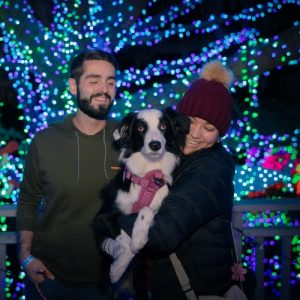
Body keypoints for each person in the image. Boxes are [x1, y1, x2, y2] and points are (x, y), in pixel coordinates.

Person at [99, 60, 251, 299]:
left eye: (209, 128)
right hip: (168, 288)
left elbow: (162, 234)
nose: (195, 134)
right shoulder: (177, 157)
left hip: (196, 291)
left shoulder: (211, 170)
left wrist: (115, 216)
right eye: (191, 122)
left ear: (220, 133)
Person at [16, 49, 120, 299]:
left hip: (109, 282)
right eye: (94, 81)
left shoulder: (129, 139)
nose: (104, 89)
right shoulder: (44, 141)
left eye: (111, 81)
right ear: (73, 86)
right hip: (49, 278)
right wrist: (25, 254)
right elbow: (28, 200)